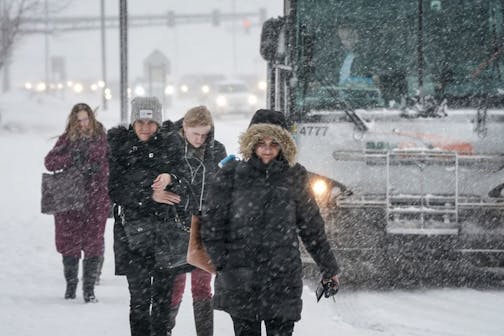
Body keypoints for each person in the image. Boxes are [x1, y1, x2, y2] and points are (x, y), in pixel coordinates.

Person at [201, 109, 340, 336]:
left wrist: (329, 267)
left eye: (274, 143)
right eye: (261, 142)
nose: (267, 149)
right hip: (241, 278)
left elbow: (312, 227)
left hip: (282, 278)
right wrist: (223, 262)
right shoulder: (231, 174)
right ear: (251, 143)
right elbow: (212, 224)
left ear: (284, 144)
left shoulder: (295, 176)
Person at [108, 97, 190, 336]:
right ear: (133, 122)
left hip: (166, 235)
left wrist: (170, 177)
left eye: (151, 121)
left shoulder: (171, 145)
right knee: (140, 301)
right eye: (140, 121)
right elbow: (115, 189)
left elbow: (186, 183)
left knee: (164, 301)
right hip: (133, 236)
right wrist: (149, 195)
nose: (145, 126)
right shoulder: (120, 146)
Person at [162, 105, 227, 336]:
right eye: (195, 133)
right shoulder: (170, 147)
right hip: (175, 225)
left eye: (204, 134)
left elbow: (224, 185)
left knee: (202, 286)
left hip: (204, 227)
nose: (200, 139)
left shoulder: (217, 150)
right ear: (184, 128)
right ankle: (166, 329)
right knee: (175, 284)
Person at [44, 102, 110, 303]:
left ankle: (89, 290)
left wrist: (98, 169)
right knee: (69, 243)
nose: (82, 124)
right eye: (78, 120)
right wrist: (70, 158)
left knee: (93, 242)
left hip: (96, 199)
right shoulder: (67, 139)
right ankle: (71, 286)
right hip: (69, 199)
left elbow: (112, 163)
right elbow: (50, 162)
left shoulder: (102, 138)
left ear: (91, 117)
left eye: (85, 118)